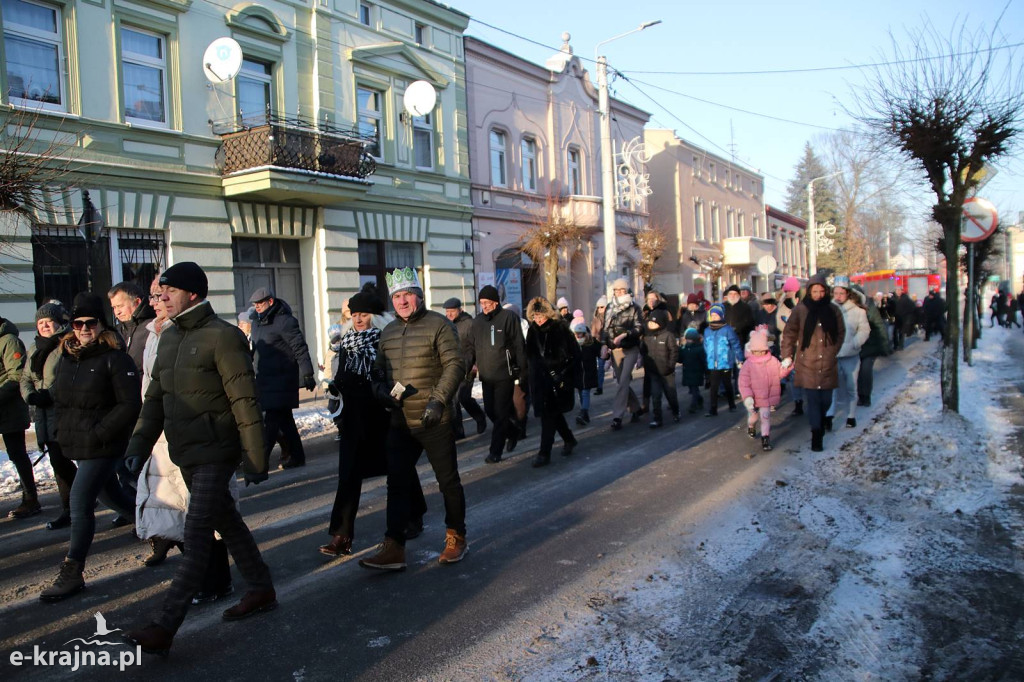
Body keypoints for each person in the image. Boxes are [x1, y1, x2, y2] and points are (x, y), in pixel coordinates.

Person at [124, 262, 275, 655]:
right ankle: (261, 587)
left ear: (192, 293)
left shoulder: (223, 337)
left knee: (196, 534)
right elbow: (155, 400)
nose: (162, 298)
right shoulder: (170, 337)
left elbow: (245, 401)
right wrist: (138, 446)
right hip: (185, 451)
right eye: (160, 292)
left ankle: (164, 625)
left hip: (216, 451)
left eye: (170, 291)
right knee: (228, 522)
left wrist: (255, 458)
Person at [360, 267, 467, 571]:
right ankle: (394, 546)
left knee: (447, 481)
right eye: (397, 296)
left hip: (434, 419)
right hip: (400, 420)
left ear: (419, 296)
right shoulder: (389, 331)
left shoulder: (440, 324)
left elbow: (455, 365)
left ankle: (456, 536)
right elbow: (378, 370)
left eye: (407, 294)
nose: (402, 301)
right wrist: (380, 390)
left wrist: (438, 401)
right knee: (397, 482)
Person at [39, 293, 141, 601]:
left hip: (104, 443)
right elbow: (63, 399)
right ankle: (156, 528)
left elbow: (129, 404)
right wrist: (59, 425)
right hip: (79, 442)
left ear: (102, 324)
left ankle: (73, 571)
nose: (84, 329)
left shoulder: (115, 358)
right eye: (78, 323)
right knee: (111, 495)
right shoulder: (69, 357)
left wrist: (100, 432)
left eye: (91, 323)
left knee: (80, 501)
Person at [320, 284, 427, 557]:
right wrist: (335, 386)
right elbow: (343, 375)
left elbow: (394, 375)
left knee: (398, 468)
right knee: (348, 475)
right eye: (355, 314)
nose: (358, 319)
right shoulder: (346, 342)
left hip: (382, 416)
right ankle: (341, 535)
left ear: (375, 317)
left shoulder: (385, 340)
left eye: (364, 314)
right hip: (353, 419)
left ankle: (414, 515)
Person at [248, 287, 316, 469]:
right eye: (255, 304)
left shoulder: (285, 321)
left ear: (270, 302)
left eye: (260, 303)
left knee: (271, 422)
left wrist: (308, 373)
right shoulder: (256, 323)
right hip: (264, 379)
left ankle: (258, 464)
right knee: (286, 421)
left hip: (282, 379)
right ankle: (298, 457)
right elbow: (255, 349)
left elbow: (299, 348)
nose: (257, 307)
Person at [19, 302, 74, 524]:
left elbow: (69, 375)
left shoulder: (67, 343)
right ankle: (71, 507)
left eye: (48, 321)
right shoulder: (34, 348)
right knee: (58, 463)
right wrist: (31, 396)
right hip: (43, 415)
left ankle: (77, 505)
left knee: (65, 462)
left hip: (64, 413)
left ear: (58, 323)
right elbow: (25, 378)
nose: (44, 326)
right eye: (40, 322)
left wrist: (49, 395)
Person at [780, 274, 846, 453]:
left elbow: (841, 332)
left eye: (821, 291)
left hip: (828, 362)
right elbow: (789, 333)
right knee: (813, 400)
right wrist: (787, 355)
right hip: (807, 362)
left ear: (826, 291)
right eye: (815, 291)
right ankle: (816, 434)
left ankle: (821, 421)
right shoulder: (801, 309)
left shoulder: (833, 310)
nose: (818, 295)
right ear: (809, 291)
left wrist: (833, 350)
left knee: (826, 400)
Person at [465, 285, 528, 463]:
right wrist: (465, 367)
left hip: (504, 374)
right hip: (486, 375)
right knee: (490, 411)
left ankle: (495, 451)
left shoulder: (508, 318)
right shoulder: (477, 322)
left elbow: (519, 345)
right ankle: (513, 432)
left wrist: (522, 370)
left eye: (487, 302)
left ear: (495, 302)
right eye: (482, 303)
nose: (484, 306)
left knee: (500, 413)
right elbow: (470, 348)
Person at [525, 297, 580, 467]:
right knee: (552, 415)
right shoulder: (532, 331)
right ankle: (569, 439)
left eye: (541, 315)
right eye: (535, 316)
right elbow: (530, 356)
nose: (538, 319)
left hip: (557, 381)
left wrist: (562, 373)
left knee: (548, 417)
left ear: (547, 314)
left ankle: (544, 453)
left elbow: (573, 354)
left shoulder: (559, 328)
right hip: (539, 381)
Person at [826, 276, 870, 430]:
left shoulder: (858, 312)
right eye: (835, 293)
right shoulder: (828, 309)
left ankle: (851, 416)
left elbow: (864, 330)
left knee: (851, 387)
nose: (838, 296)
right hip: (832, 355)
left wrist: (854, 343)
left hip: (850, 356)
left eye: (841, 293)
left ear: (848, 294)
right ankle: (829, 416)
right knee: (831, 387)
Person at [739, 328, 791, 451]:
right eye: (757, 351)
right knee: (754, 417)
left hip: (766, 398)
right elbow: (743, 383)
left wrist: (786, 366)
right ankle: (751, 426)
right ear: (752, 350)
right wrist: (747, 397)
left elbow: (779, 374)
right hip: (753, 398)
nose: (760, 353)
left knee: (765, 417)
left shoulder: (772, 360)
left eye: (762, 350)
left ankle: (765, 439)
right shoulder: (748, 364)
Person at [443, 297, 487, 440]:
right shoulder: (446, 324)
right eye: (447, 311)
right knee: (454, 400)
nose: (449, 314)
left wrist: (476, 364)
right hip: (452, 367)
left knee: (463, 397)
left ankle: (479, 416)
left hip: (468, 366)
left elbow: (478, 345)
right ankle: (458, 431)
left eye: (452, 311)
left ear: (460, 310)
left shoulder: (469, 324)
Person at [603, 278, 644, 431]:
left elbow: (639, 328)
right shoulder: (610, 307)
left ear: (627, 291)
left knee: (624, 381)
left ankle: (617, 416)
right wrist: (605, 345)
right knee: (622, 382)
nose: (619, 292)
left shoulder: (634, 308)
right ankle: (636, 408)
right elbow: (605, 329)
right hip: (616, 350)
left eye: (622, 290)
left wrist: (625, 335)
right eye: (617, 290)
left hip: (630, 348)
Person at [854, 283, 892, 408]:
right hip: (855, 347)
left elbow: (879, 325)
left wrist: (885, 345)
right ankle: (860, 395)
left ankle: (865, 397)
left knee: (865, 371)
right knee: (857, 372)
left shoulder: (869, 306)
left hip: (870, 345)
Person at [702, 304, 743, 417]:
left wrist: (740, 358)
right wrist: (709, 356)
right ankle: (713, 409)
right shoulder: (707, 330)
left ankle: (732, 405)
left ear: (721, 316)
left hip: (725, 362)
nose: (714, 317)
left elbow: (735, 344)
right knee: (714, 386)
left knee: (727, 384)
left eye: (716, 315)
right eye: (712, 316)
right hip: (713, 363)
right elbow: (705, 345)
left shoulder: (727, 329)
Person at [642, 308, 679, 428]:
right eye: (650, 322)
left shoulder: (668, 336)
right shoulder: (647, 337)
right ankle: (657, 418)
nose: (651, 325)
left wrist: (671, 365)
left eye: (654, 322)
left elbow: (674, 352)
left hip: (667, 372)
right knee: (655, 396)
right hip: (654, 372)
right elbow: (643, 352)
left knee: (671, 395)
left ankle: (676, 412)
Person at [108, 281, 155, 372]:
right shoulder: (115, 332)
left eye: (120, 306)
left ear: (137, 302)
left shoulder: (152, 328)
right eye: (114, 307)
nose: (117, 312)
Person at [572, 320, 600, 425]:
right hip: (578, 374)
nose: (578, 335)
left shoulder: (591, 343)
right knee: (581, 393)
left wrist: (605, 355)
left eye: (580, 333)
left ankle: (583, 412)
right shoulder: (573, 345)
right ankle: (585, 415)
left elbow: (601, 351)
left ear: (585, 333)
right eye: (576, 333)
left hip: (588, 373)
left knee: (585, 392)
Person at [678, 327, 706, 414]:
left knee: (694, 389)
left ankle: (693, 405)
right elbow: (680, 359)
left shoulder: (699, 348)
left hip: (697, 372)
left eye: (690, 339)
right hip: (687, 372)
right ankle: (699, 399)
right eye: (687, 339)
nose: (688, 341)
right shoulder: (684, 348)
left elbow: (704, 361)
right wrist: (679, 350)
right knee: (692, 389)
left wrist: (706, 372)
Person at [590, 297, 608, 395]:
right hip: (600, 345)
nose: (600, 309)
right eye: (599, 307)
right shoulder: (595, 319)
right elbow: (593, 333)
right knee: (600, 367)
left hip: (610, 344)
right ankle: (599, 387)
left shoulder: (610, 317)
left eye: (602, 307)